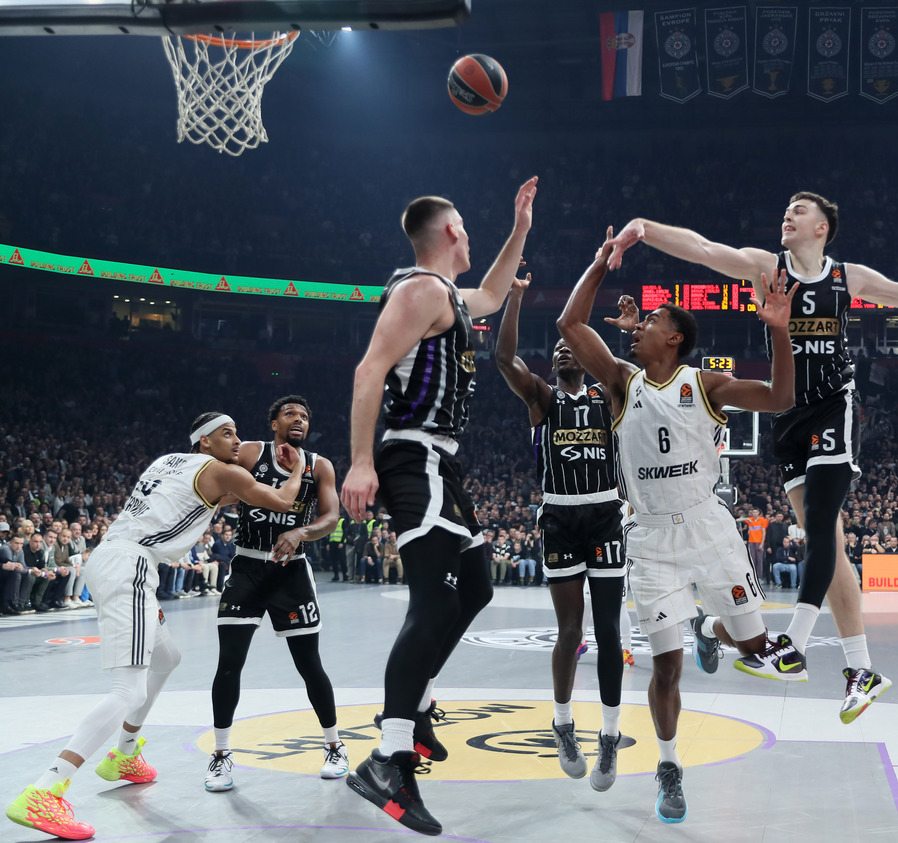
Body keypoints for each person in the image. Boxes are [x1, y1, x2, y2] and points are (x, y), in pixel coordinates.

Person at [605, 193, 898, 723]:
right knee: (829, 545)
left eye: (799, 210)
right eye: (785, 209)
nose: (786, 215)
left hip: (833, 407)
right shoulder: (764, 268)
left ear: (822, 228)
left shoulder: (847, 277)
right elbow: (702, 249)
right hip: (786, 414)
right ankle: (860, 669)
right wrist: (643, 228)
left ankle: (794, 644)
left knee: (820, 531)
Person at [558, 229, 803, 824]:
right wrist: (598, 264)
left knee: (754, 645)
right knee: (665, 664)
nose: (636, 326)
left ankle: (714, 632)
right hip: (651, 538)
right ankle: (669, 766)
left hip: (709, 530)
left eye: (650, 323)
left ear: (676, 337)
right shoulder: (620, 383)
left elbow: (779, 397)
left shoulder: (704, 384)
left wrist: (777, 326)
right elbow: (571, 325)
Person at [340, 177, 537, 835]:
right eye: (468, 226)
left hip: (439, 461)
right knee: (432, 601)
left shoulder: (447, 295)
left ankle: (416, 704)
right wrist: (361, 461)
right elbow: (369, 371)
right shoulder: (418, 290)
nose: (471, 234)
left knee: (474, 584)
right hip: (411, 455)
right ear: (450, 231)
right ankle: (390, 757)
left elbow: (492, 292)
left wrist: (520, 229)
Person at [5, 413, 304, 841]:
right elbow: (280, 500)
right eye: (227, 434)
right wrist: (295, 471)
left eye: (237, 433)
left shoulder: (170, 462)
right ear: (204, 442)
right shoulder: (220, 470)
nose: (236, 441)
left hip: (112, 558)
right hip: (131, 567)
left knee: (167, 657)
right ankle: (44, 790)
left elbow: (217, 501)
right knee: (128, 690)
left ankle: (125, 754)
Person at [495, 267, 626, 791]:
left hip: (605, 512)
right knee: (570, 630)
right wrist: (515, 299)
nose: (563, 352)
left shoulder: (609, 395)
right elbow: (504, 359)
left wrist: (615, 330)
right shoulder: (543, 399)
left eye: (570, 347)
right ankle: (563, 722)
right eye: (555, 351)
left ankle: (610, 738)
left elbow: (621, 367)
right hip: (560, 516)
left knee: (612, 630)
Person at [206, 396, 346, 793]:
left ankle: (334, 746)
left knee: (310, 666)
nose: (299, 419)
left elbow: (331, 517)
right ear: (274, 423)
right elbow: (218, 490)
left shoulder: (321, 466)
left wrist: (301, 531)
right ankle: (220, 755)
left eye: (304, 415)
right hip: (248, 568)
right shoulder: (250, 452)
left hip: (292, 573)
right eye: (290, 414)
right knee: (229, 664)